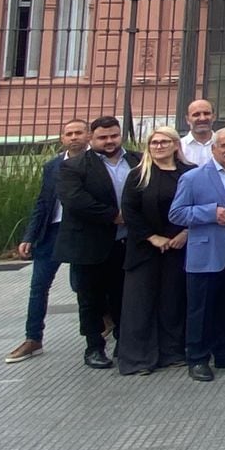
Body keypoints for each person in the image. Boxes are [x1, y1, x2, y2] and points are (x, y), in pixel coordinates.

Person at [169, 126, 225, 381]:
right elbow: (176, 213)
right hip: (206, 252)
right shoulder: (193, 178)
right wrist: (209, 213)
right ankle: (197, 358)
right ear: (214, 148)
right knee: (201, 308)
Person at [55, 115, 140, 370]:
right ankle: (94, 347)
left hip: (127, 243)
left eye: (113, 136)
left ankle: (124, 344)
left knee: (124, 296)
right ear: (92, 138)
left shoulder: (136, 160)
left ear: (120, 135)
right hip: (90, 245)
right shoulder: (75, 166)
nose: (109, 141)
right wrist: (114, 216)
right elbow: (75, 200)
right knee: (90, 299)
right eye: (103, 137)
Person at [6, 118, 89, 363]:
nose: (73, 137)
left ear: (88, 136)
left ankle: (99, 328)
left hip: (82, 232)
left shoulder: (96, 163)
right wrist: (30, 236)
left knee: (81, 285)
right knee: (38, 287)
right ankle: (33, 338)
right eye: (68, 133)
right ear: (62, 138)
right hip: (52, 232)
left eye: (78, 132)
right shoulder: (52, 166)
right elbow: (43, 203)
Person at [116, 126, 193, 374]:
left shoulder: (189, 173)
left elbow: (198, 204)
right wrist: (153, 237)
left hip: (179, 246)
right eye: (154, 143)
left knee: (173, 301)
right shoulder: (139, 175)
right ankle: (138, 359)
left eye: (164, 142)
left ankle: (172, 352)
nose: (158, 146)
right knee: (140, 303)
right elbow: (130, 210)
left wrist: (185, 234)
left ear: (175, 145)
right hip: (145, 248)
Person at [180, 100, 217, 167]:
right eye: (196, 115)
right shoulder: (180, 147)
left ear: (214, 117)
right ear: (187, 119)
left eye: (206, 113)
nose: (202, 118)